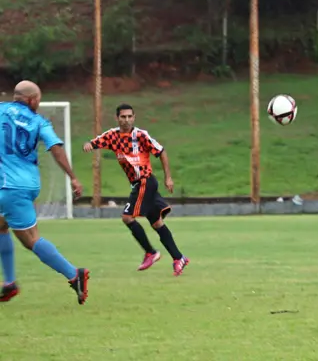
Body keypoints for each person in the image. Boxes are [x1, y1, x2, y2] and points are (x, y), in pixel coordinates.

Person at [0, 80, 89, 304]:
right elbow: (55, 149)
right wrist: (73, 177)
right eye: (38, 99)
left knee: (31, 240)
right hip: (24, 185)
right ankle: (9, 283)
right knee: (2, 226)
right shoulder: (40, 122)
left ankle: (74, 274)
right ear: (31, 100)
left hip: (7, 185)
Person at [83, 104, 189, 276]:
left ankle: (151, 253)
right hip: (139, 184)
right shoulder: (112, 136)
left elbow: (161, 151)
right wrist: (88, 144)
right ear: (117, 118)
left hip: (145, 181)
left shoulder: (141, 135)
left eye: (129, 117)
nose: (126, 120)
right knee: (156, 223)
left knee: (127, 217)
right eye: (123, 117)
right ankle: (179, 258)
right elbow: (94, 142)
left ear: (134, 117)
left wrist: (168, 177)